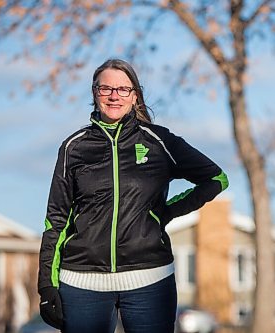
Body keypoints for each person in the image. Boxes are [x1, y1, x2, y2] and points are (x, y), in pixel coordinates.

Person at [37, 58, 228, 333]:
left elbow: (216, 179)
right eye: (106, 89)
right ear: (95, 93)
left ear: (134, 95)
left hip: (149, 281)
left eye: (123, 89)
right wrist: (46, 284)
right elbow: (55, 219)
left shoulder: (159, 142)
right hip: (82, 283)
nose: (114, 95)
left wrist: (165, 212)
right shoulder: (73, 147)